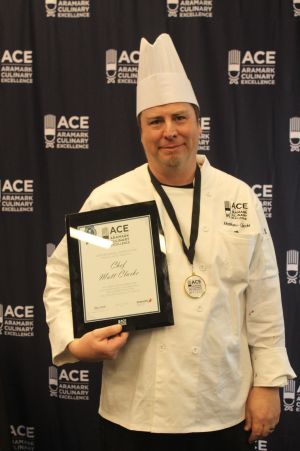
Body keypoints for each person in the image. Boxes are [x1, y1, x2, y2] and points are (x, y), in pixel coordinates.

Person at [43, 34, 295, 450]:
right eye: (155, 122)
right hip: (135, 409)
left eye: (180, 118)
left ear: (198, 123)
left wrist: (268, 383)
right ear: (141, 132)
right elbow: (62, 278)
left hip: (222, 405)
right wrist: (74, 341)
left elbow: (265, 297)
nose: (169, 132)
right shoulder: (111, 199)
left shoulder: (239, 197)